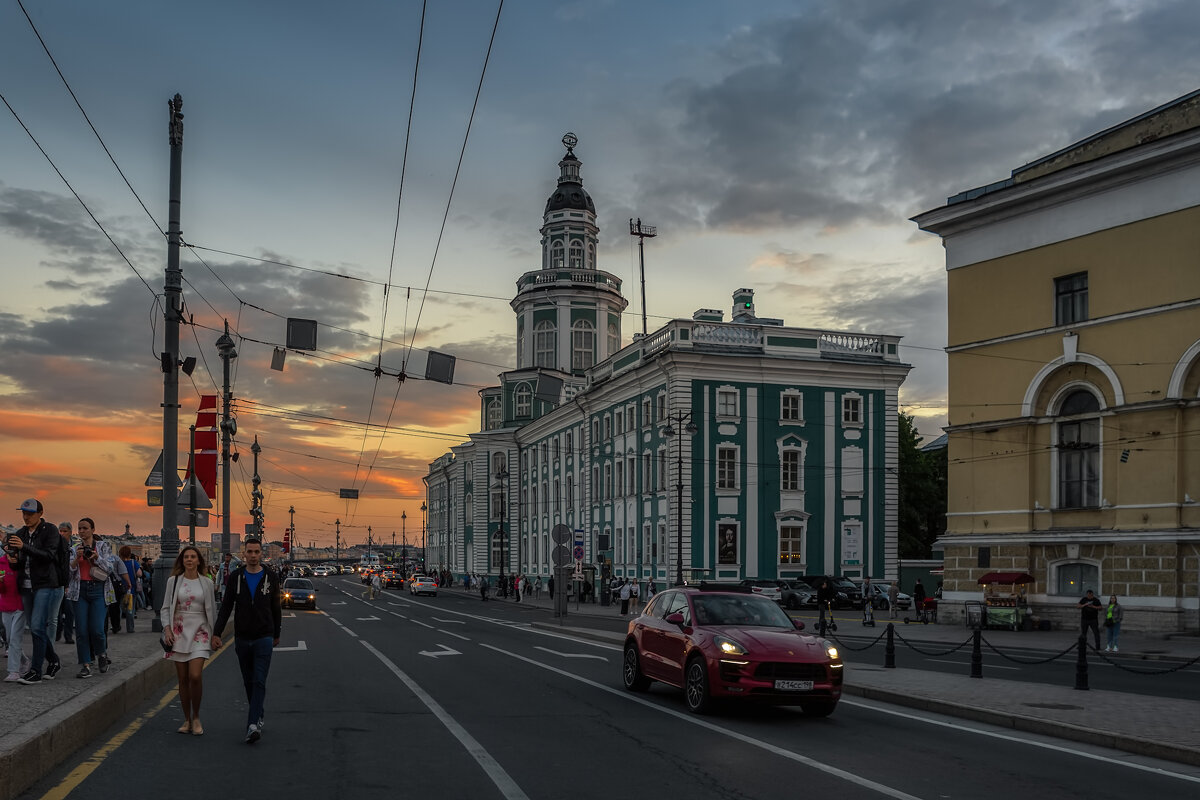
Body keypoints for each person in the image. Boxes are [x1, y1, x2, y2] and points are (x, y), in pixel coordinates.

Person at [213, 537, 281, 744]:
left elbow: (275, 608)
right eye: (249, 552)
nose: (253, 556)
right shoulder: (236, 577)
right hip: (242, 638)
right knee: (248, 680)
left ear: (261, 554)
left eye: (256, 552)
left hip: (264, 636)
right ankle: (258, 713)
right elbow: (226, 608)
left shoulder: (271, 577)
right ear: (244, 554)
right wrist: (217, 633)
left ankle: (252, 725)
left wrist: (276, 633)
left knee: (259, 679)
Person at [160, 545, 217, 735]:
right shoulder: (173, 581)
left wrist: (215, 634)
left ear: (199, 560)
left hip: (200, 631)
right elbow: (166, 608)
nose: (190, 560)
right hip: (178, 631)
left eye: (193, 557)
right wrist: (167, 629)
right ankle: (186, 719)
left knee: (195, 676)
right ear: (182, 561)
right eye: (186, 557)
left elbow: (212, 610)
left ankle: (197, 717)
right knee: (182, 679)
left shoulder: (207, 582)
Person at [9, 498, 66, 684]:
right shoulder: (21, 533)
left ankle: (35, 671)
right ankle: (54, 661)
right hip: (26, 586)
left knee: (36, 626)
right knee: (37, 628)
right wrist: (14, 561)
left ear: (40, 513)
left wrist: (23, 547)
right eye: (23, 513)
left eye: (30, 514)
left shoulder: (50, 530)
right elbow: (20, 562)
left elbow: (49, 556)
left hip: (44, 584)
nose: (26, 517)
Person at [67, 518, 118, 678]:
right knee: (81, 630)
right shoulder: (74, 548)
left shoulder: (103, 546)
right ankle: (86, 665)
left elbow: (110, 568)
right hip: (79, 590)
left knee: (97, 629)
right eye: (79, 528)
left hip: (99, 590)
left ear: (92, 530)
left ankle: (101, 654)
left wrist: (96, 558)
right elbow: (68, 571)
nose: (82, 531)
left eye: (85, 528)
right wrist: (77, 558)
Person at [1, 549, 27, 682]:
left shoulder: (23, 563)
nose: (12, 555)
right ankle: (24, 661)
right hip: (6, 606)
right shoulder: (1, 563)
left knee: (14, 639)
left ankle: (13, 671)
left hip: (20, 606)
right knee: (10, 639)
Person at [55, 522, 75, 645]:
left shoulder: (74, 547)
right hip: (58, 583)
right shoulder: (55, 545)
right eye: (60, 531)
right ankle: (56, 634)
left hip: (70, 584)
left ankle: (68, 636)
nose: (62, 534)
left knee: (69, 612)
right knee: (56, 612)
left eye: (64, 531)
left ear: (70, 532)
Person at [118, 546, 140, 633]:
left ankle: (117, 626)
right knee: (130, 609)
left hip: (120, 588)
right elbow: (139, 574)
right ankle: (130, 628)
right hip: (131, 589)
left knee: (119, 608)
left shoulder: (119, 563)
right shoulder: (133, 563)